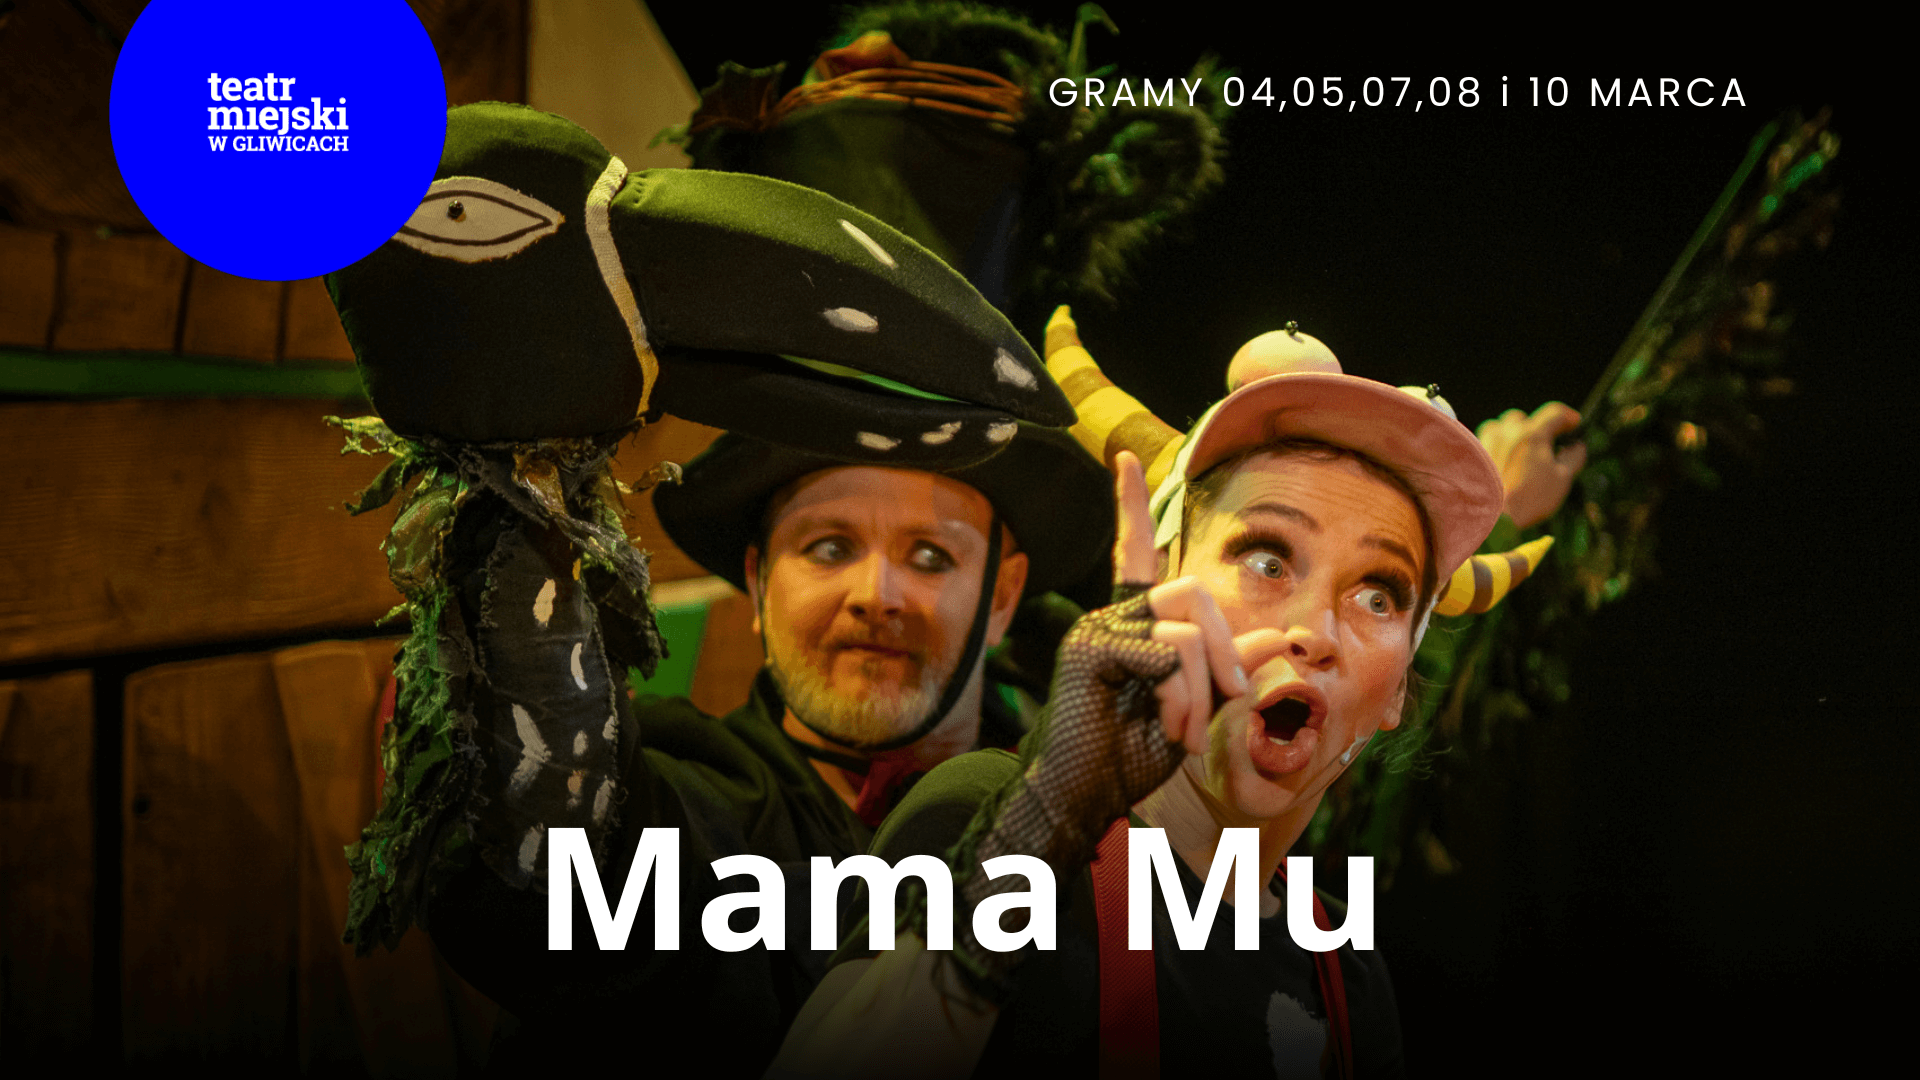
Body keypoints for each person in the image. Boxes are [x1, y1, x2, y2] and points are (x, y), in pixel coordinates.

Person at [770, 321, 1510, 1079]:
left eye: (1379, 596)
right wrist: (1043, 821)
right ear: (1162, 585)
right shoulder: (986, 817)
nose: (1315, 631)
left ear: (1397, 690)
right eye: (1267, 559)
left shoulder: (1346, 970)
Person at [425, 423, 1113, 1075]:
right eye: (830, 548)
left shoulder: (1105, 814)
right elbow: (552, 883)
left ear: (1002, 598)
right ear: (758, 582)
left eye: (932, 556)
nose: (876, 595)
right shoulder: (687, 804)